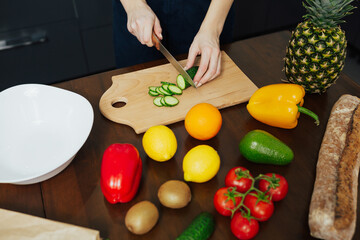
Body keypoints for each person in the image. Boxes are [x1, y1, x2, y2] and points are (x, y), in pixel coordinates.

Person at [113, 0, 234, 87]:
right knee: (132, 84)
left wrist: (212, 29)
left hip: (208, 10)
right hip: (138, 13)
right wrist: (134, 6)